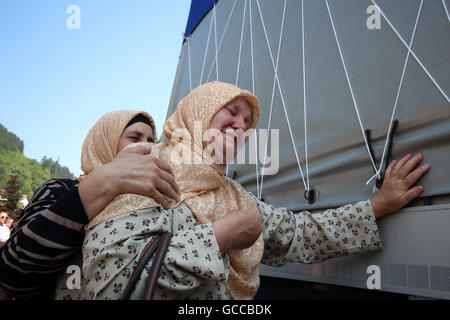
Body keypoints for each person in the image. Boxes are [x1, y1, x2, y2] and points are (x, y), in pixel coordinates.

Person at [65, 81, 429, 300]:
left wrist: (376, 206)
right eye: (232, 112)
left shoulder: (234, 196)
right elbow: (110, 285)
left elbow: (299, 234)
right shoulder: (146, 166)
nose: (241, 125)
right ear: (201, 111)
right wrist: (219, 238)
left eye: (249, 123)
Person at [0, 111, 180, 299]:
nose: (147, 147)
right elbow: (12, 274)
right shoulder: (61, 189)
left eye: (151, 140)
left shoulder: (154, 205)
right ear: (106, 142)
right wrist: (105, 181)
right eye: (134, 138)